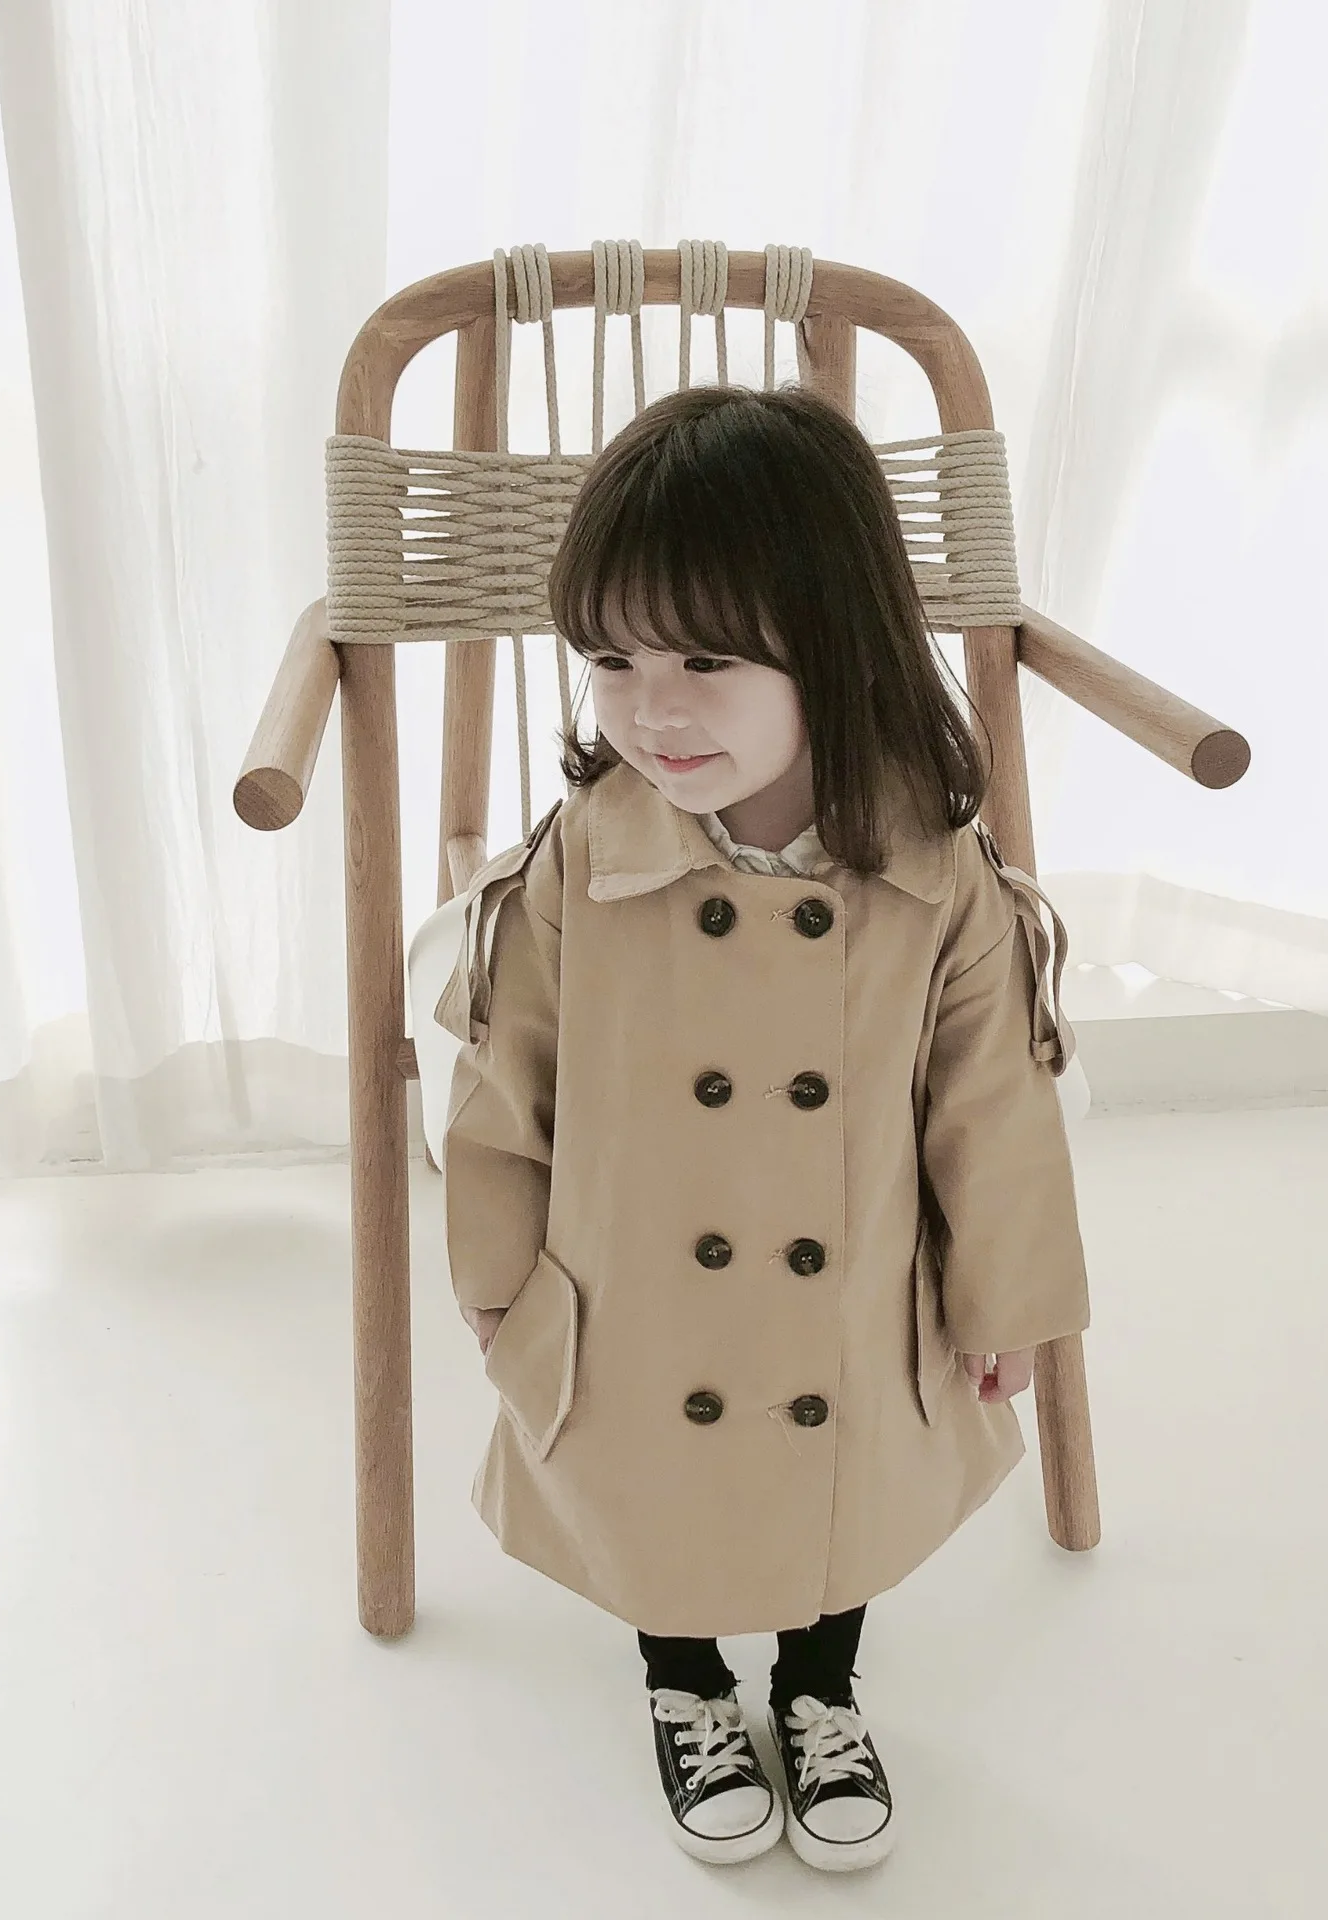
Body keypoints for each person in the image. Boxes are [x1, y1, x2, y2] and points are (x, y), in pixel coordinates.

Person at [434, 383, 1090, 1873]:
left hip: (847, 1273)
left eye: (707, 661)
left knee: (838, 1465)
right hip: (631, 1276)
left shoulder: (935, 869)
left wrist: (1008, 1299)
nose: (651, 710)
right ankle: (682, 1681)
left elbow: (992, 1100)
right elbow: (502, 1084)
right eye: (612, 660)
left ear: (833, 641)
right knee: (649, 1474)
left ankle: (817, 1688)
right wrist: (495, 1273)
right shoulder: (580, 864)